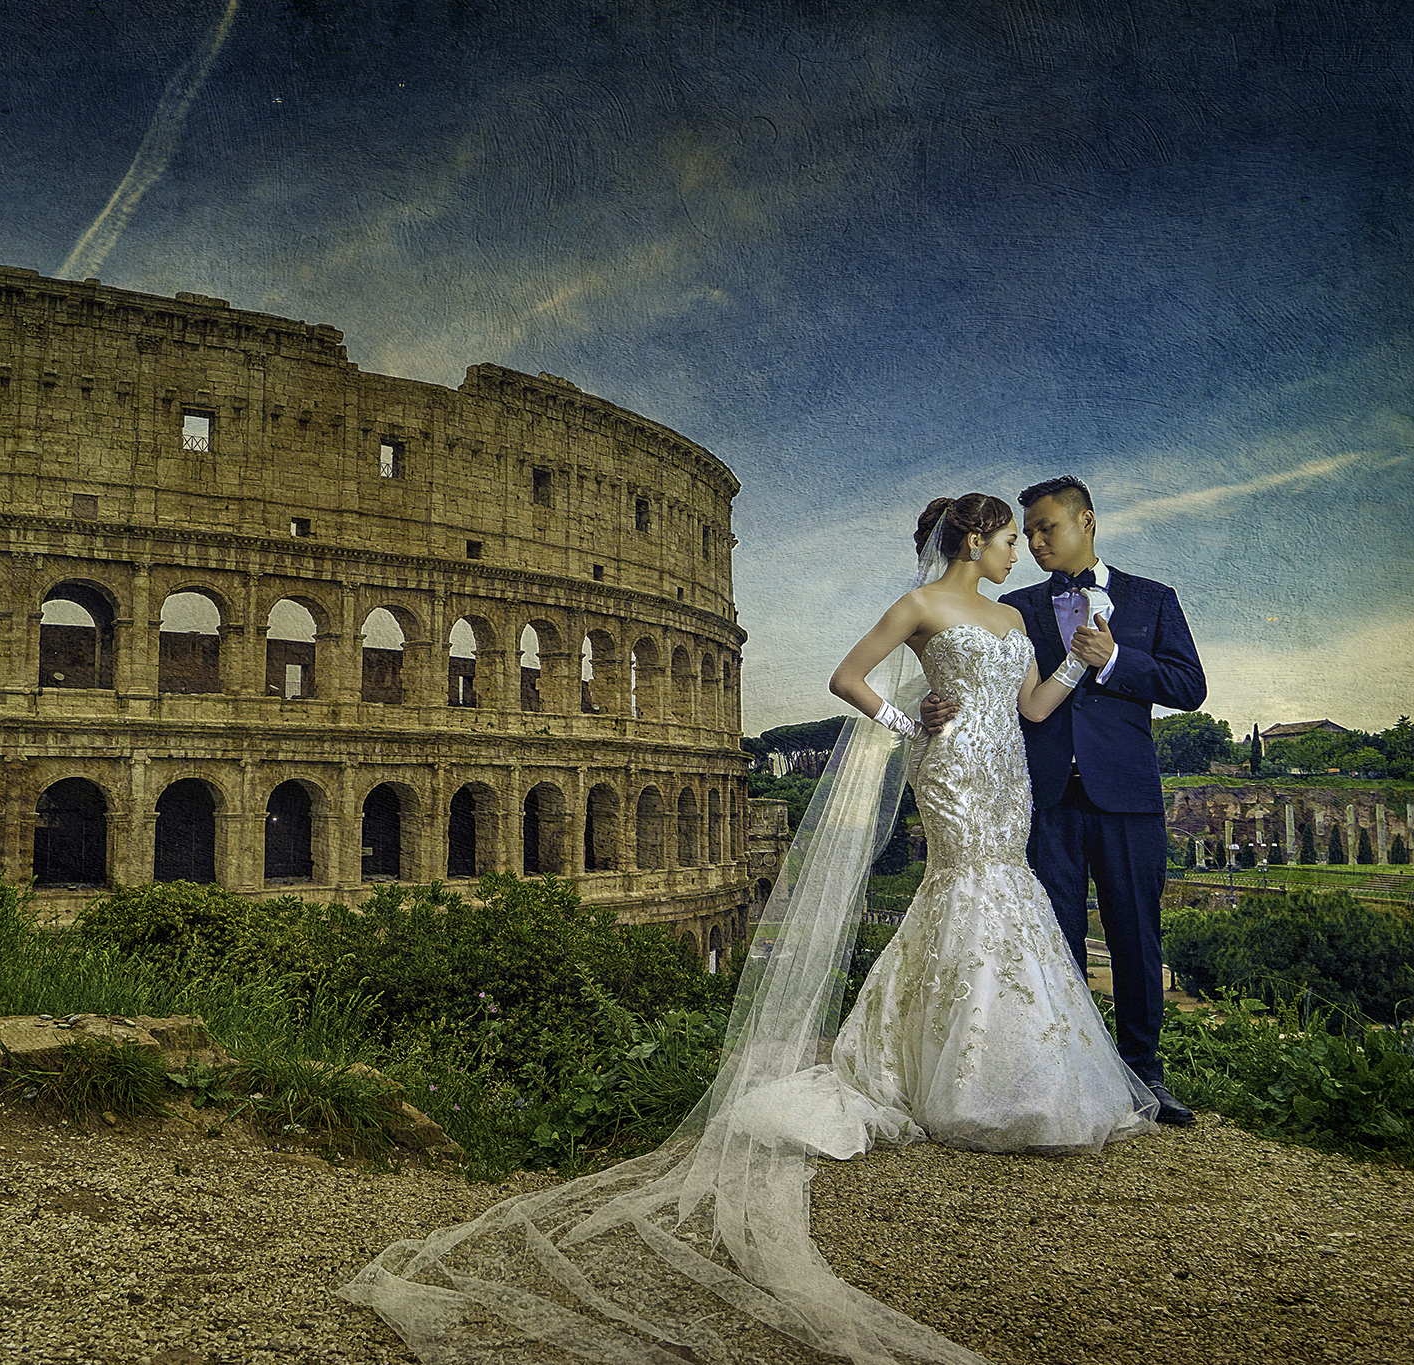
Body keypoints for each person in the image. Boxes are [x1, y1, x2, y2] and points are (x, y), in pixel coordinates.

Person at [338, 494, 1159, 1365]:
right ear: (971, 540)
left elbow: (1032, 710)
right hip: (951, 768)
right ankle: (957, 1076)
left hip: (1005, 770)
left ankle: (1015, 1064)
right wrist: (900, 721)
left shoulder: (1010, 616)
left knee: (1008, 890)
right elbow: (848, 678)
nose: (1015, 556)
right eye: (1005, 542)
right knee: (965, 889)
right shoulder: (920, 609)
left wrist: (1077, 662)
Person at [920, 476, 1206, 1126]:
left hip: (1127, 797)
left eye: (1048, 526)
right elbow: (982, 680)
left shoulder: (1152, 600)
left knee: (1136, 938)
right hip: (1042, 797)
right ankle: (1070, 1073)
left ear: (1088, 521)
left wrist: (1116, 660)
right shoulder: (1015, 606)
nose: (1037, 541)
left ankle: (1145, 1075)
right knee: (1056, 940)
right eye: (1029, 531)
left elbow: (1190, 685)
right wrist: (938, 706)